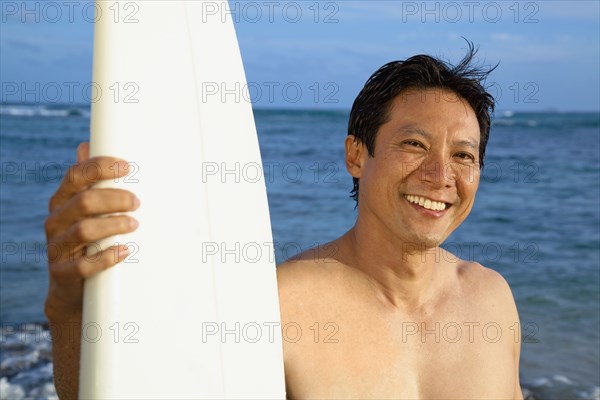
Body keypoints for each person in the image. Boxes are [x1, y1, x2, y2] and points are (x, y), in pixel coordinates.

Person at [45, 43, 523, 399]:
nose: (441, 176)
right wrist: (67, 309)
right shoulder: (277, 307)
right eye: (414, 145)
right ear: (356, 155)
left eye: (464, 155)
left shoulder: (492, 300)